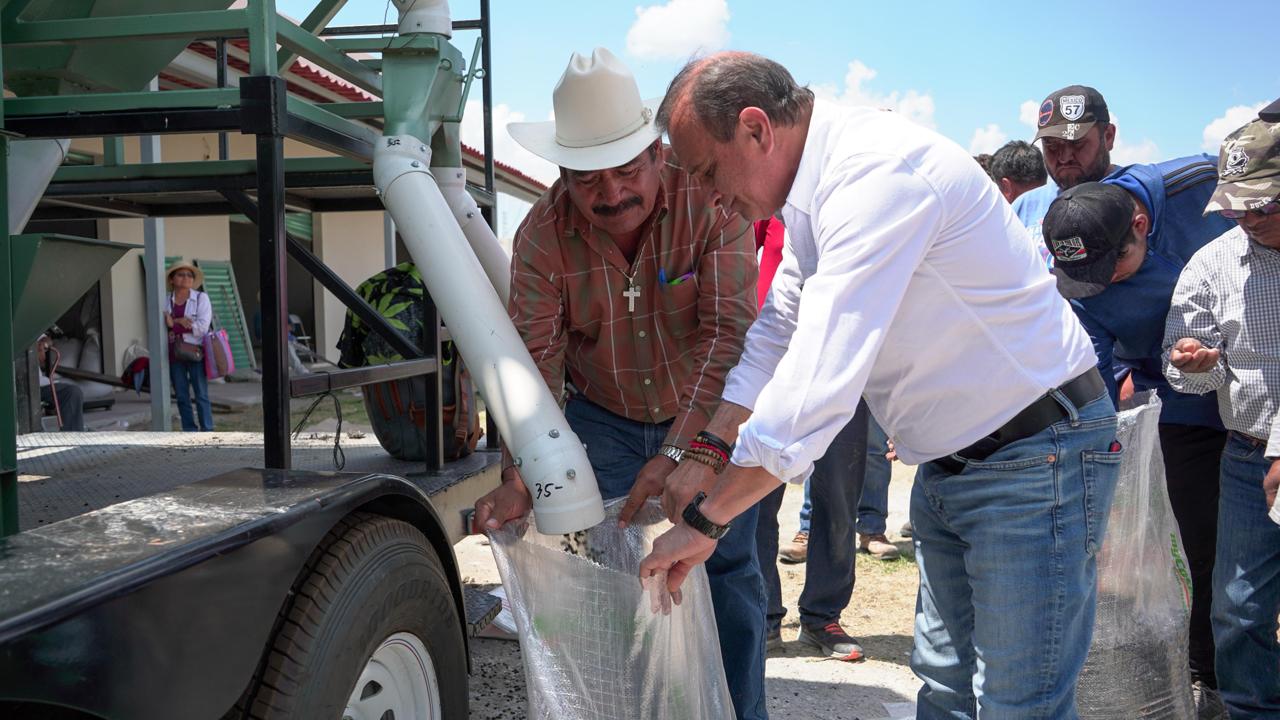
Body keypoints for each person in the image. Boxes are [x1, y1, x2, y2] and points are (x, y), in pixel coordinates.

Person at [638, 51, 1119, 720]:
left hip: (1035, 455)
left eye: (706, 172)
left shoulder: (875, 175)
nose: (709, 196)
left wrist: (706, 519)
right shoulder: (813, 191)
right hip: (959, 461)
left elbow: (816, 387)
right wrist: (710, 449)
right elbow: (779, 330)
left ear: (755, 129)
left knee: (1018, 704)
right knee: (945, 688)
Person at [469, 48, 766, 720]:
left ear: (658, 153)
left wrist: (682, 452)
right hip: (602, 419)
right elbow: (531, 365)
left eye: (627, 170)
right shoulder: (542, 236)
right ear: (562, 174)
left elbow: (728, 337)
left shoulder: (712, 200)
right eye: (586, 179)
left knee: (725, 574)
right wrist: (519, 475)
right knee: (608, 583)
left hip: (707, 421)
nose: (610, 194)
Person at [1042, 167, 1234, 717]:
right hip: (1181, 408)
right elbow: (1094, 376)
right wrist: (1104, 467)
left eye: (1112, 268)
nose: (1101, 285)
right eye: (1085, 277)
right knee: (1195, 544)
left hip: (1258, 387)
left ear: (1142, 227)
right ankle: (1205, 675)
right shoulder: (1085, 283)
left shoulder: (1201, 190)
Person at [1163, 115, 1280, 720]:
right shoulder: (1211, 264)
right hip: (1246, 458)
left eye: (1261, 206)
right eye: (1235, 207)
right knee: (1238, 608)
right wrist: (1194, 363)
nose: (1247, 219)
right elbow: (1184, 367)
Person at [753, 214, 868, 660]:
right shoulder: (771, 197)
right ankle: (763, 615)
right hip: (774, 362)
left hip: (842, 366)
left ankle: (822, 617)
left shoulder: (856, 204)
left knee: (838, 499)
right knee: (758, 498)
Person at [1014, 85, 1118, 266]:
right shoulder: (1024, 207)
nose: (1064, 157)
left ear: (1108, 136)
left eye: (1077, 143)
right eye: (1052, 145)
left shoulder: (1139, 199)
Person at [164, 260, 214, 432]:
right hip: (173, 354)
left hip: (195, 352)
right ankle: (189, 430)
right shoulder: (165, 300)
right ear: (172, 279)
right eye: (181, 274)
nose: (186, 278)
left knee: (201, 394)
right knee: (181, 396)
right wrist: (180, 321)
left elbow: (202, 328)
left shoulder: (201, 298)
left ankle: (207, 431)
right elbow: (160, 326)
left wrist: (173, 323)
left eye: (189, 275)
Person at [35, 334, 85, 431]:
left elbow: (47, 340)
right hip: (18, 387)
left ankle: (73, 436)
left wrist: (42, 344)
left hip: (39, 384)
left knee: (72, 392)